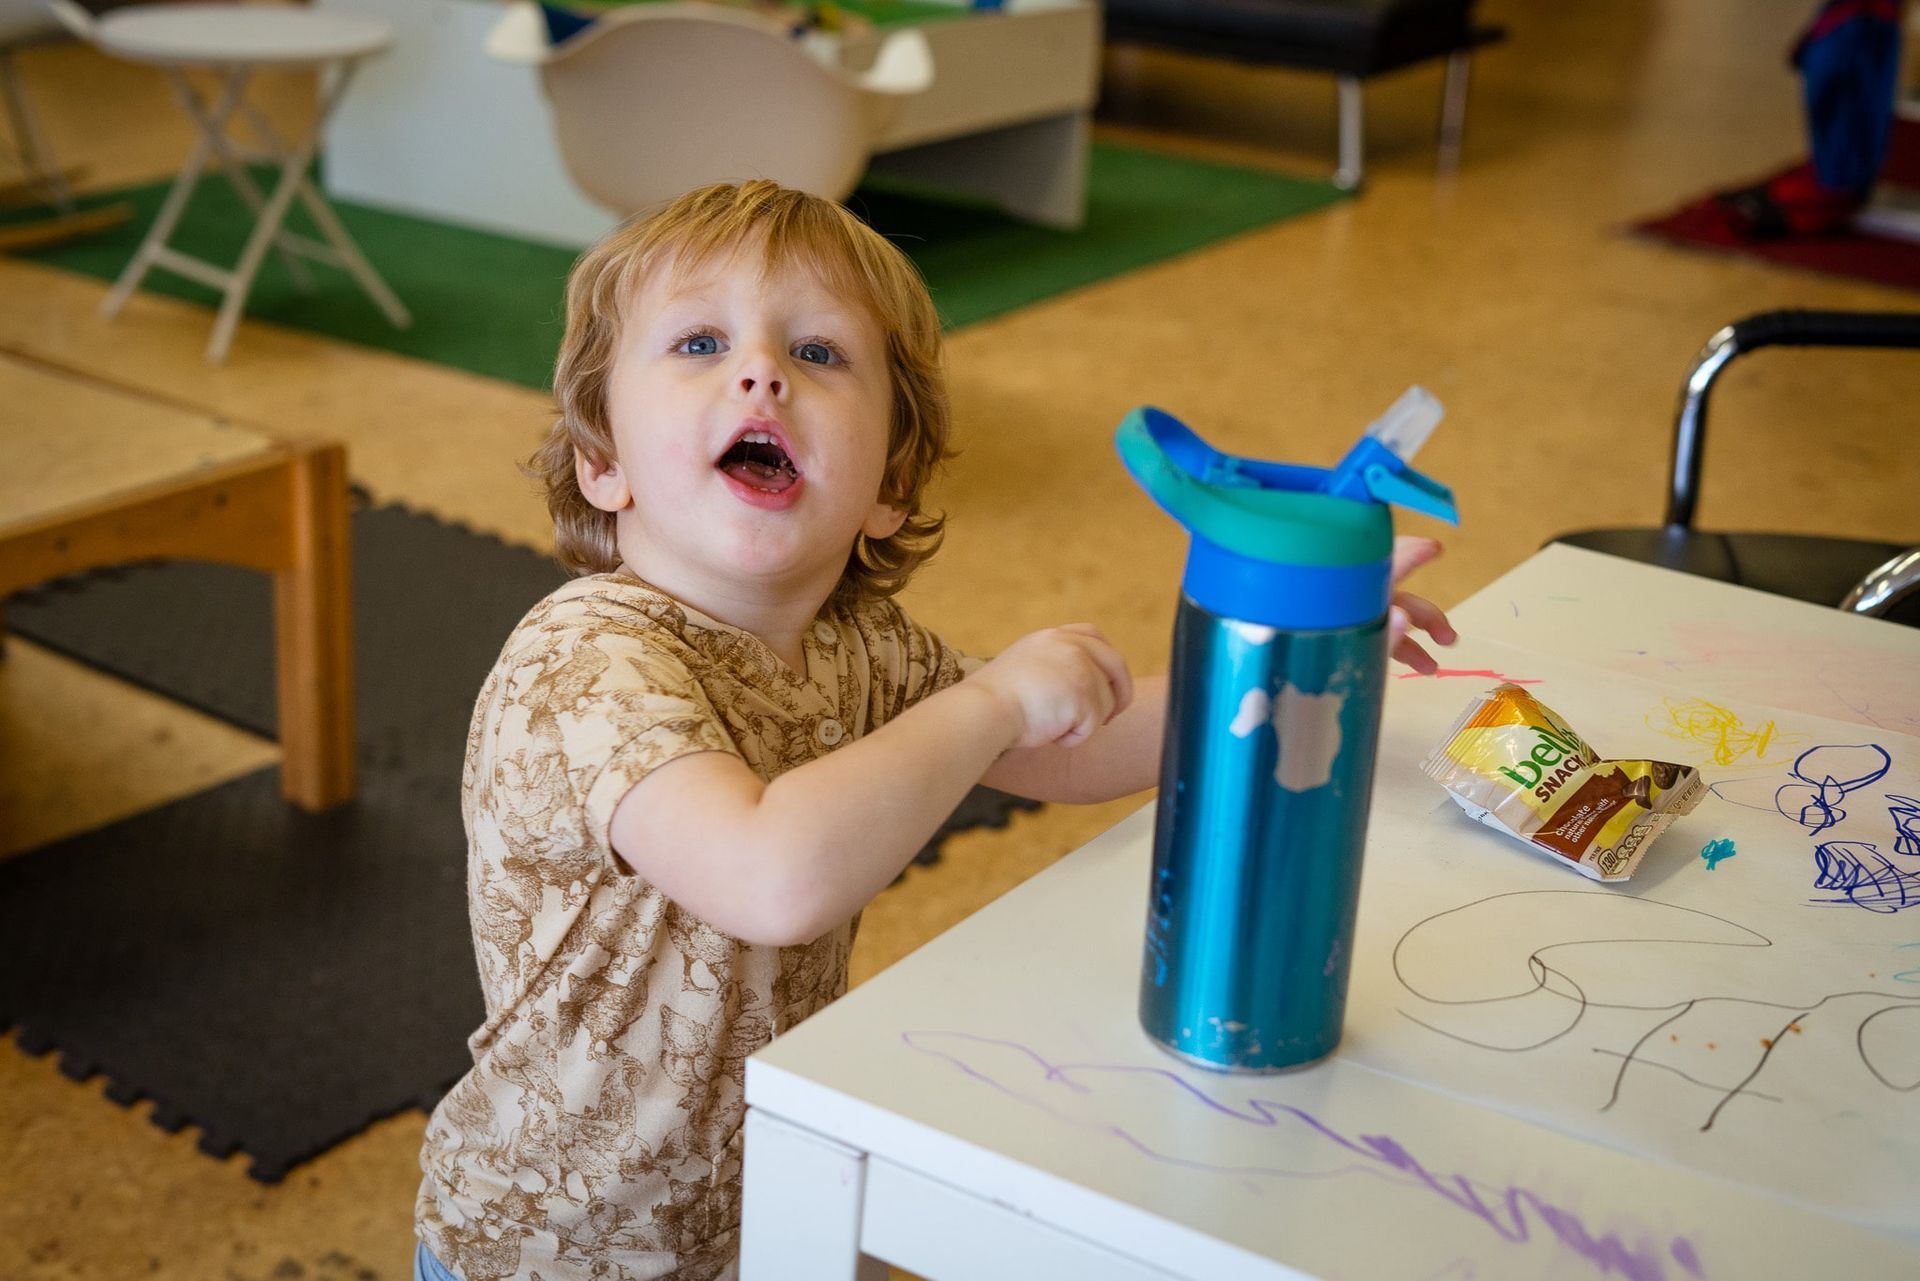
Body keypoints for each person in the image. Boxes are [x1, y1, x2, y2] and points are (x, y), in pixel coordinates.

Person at [412, 179, 1456, 1281]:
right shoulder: (584, 661)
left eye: (818, 355)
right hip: (549, 1254)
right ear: (602, 461)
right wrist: (991, 699)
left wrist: (1299, 647)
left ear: (889, 486)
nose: (761, 370)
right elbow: (771, 877)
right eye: (701, 342)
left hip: (755, 1217)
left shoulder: (862, 647)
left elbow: (1078, 744)